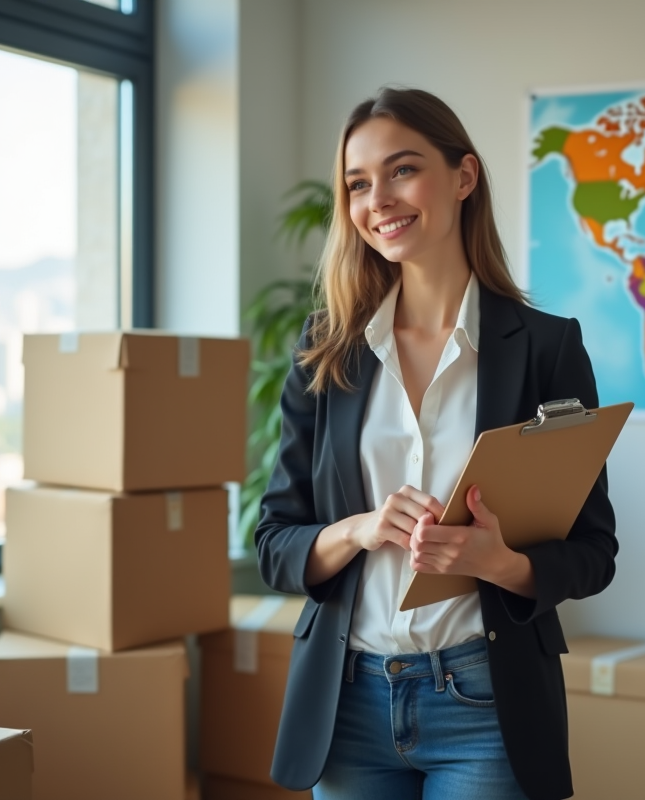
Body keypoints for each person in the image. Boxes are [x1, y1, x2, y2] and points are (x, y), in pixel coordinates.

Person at [255, 87, 617, 800]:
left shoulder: (547, 349)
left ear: (464, 177)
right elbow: (275, 542)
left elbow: (592, 554)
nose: (378, 200)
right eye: (357, 184)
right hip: (348, 704)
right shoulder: (328, 350)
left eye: (402, 170)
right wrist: (356, 530)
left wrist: (504, 563)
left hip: (487, 704)